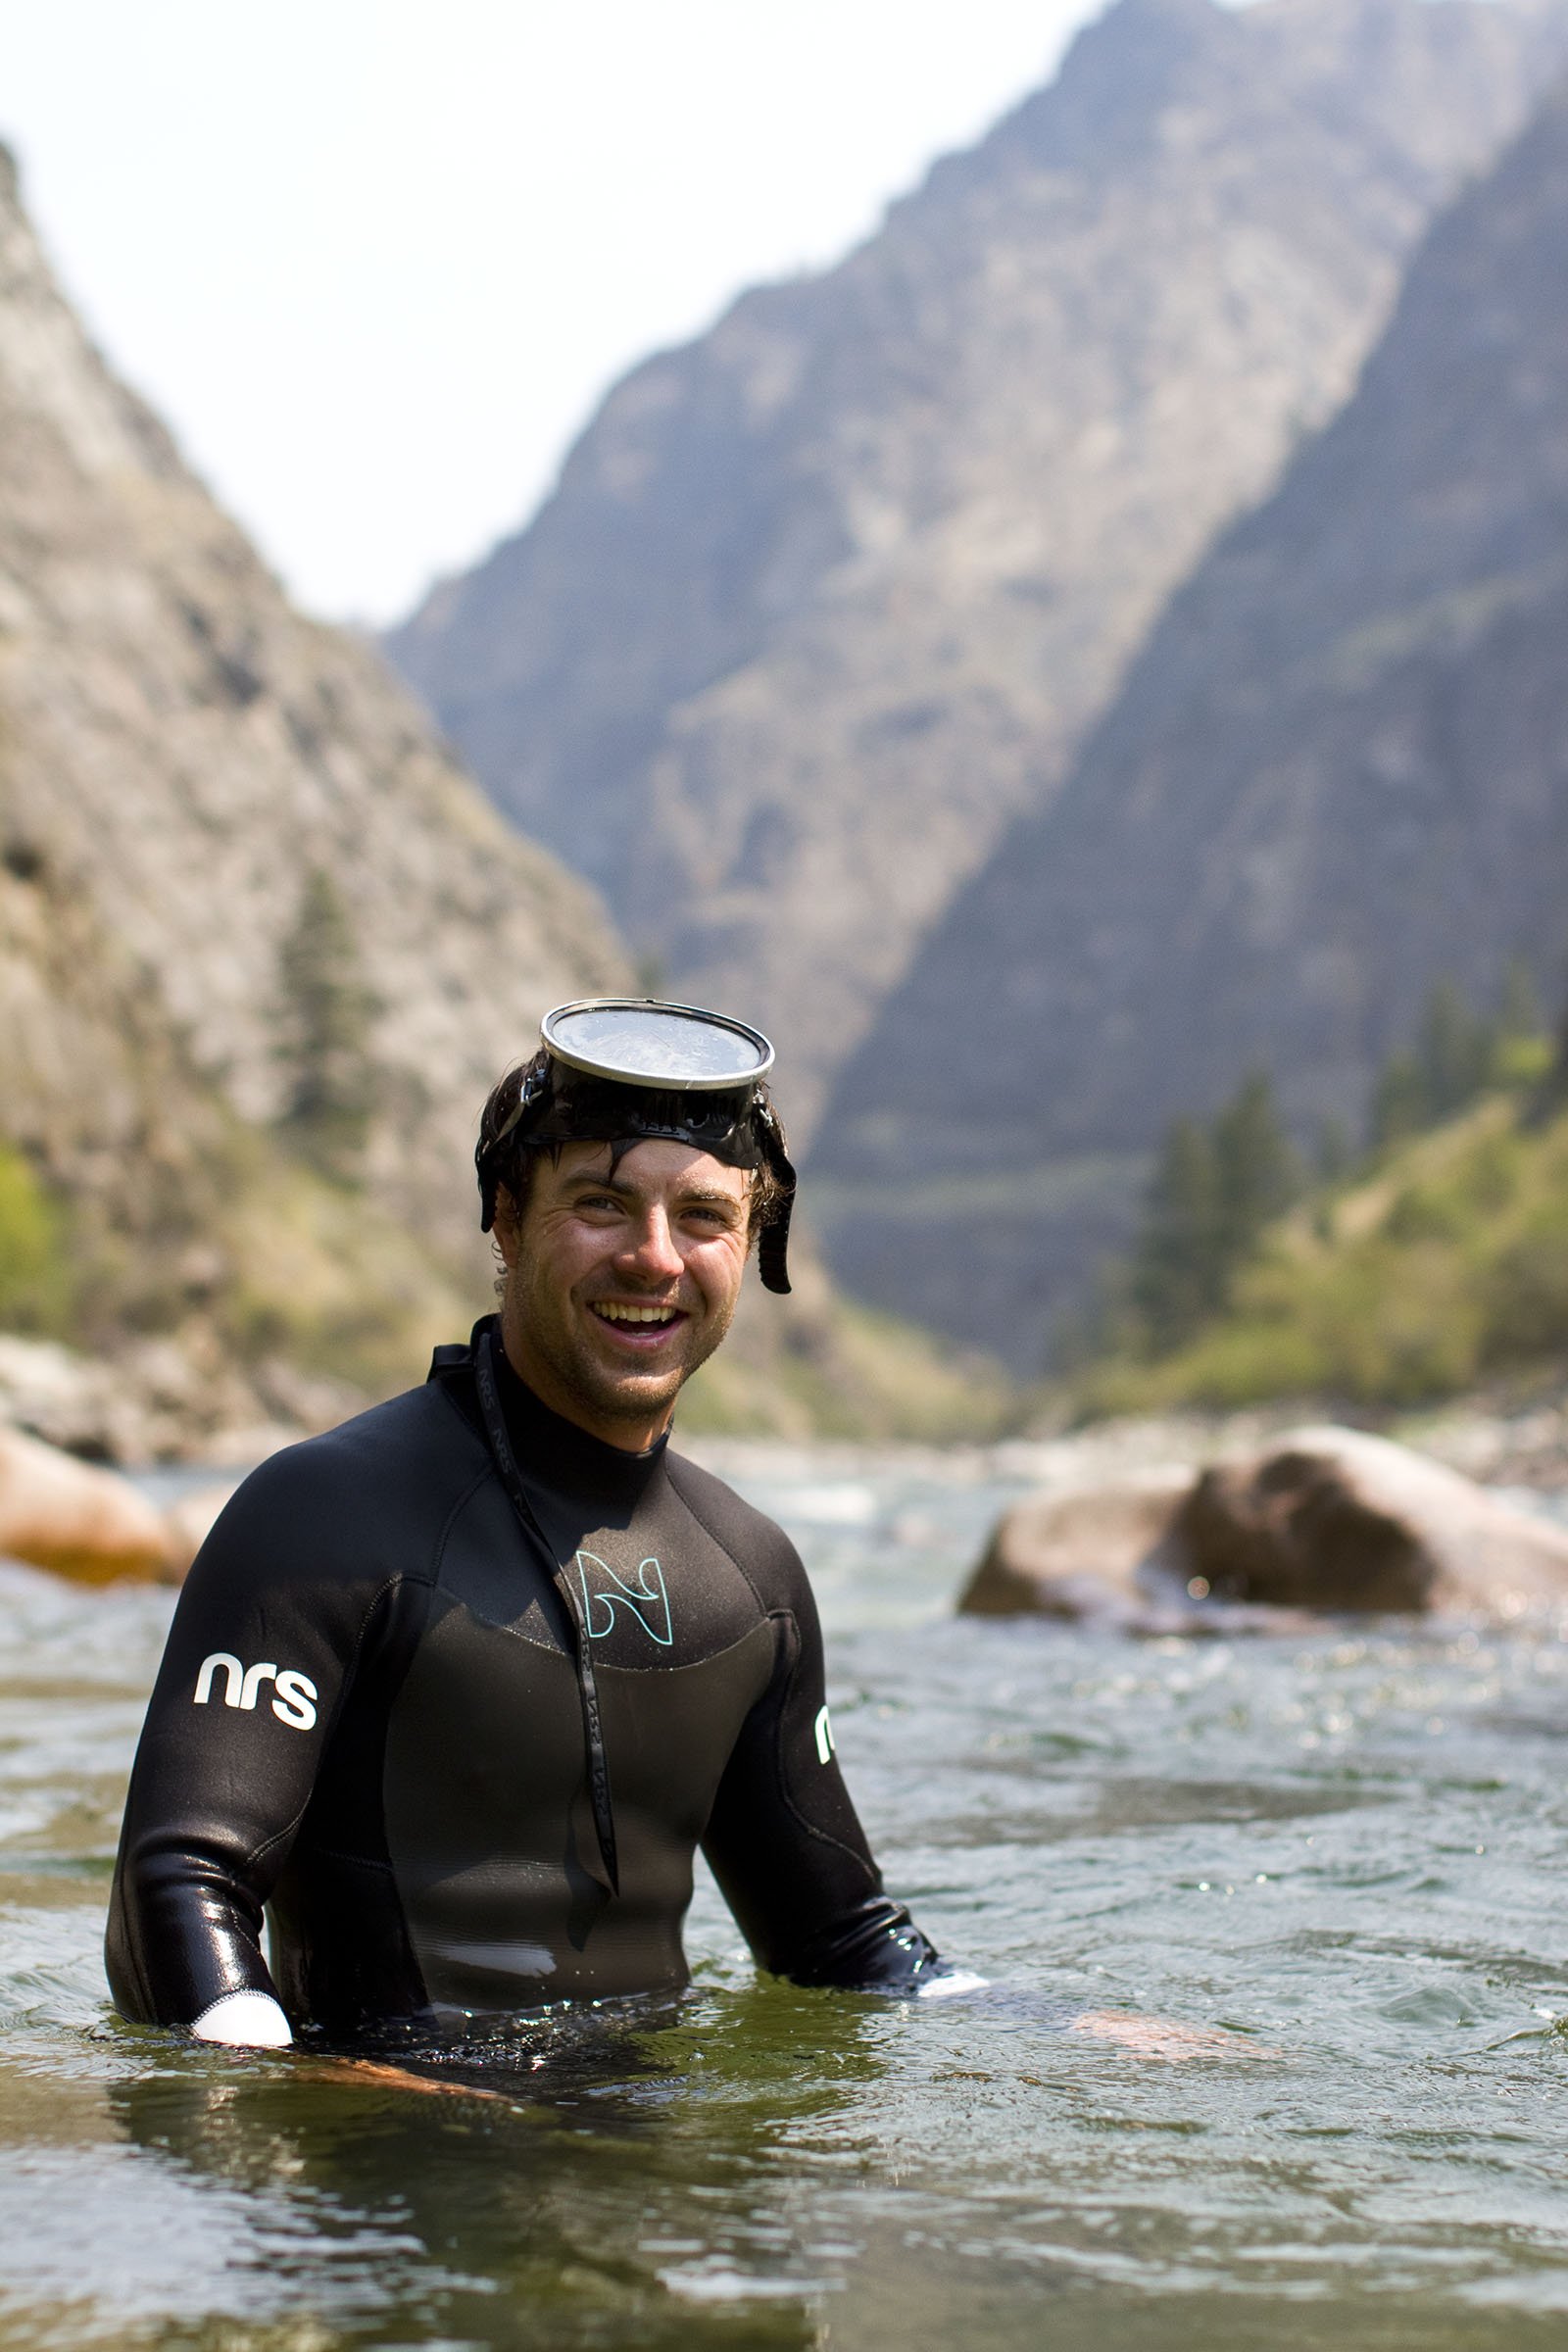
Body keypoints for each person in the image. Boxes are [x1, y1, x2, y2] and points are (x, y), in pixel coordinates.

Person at [107, 997, 960, 2050]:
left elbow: (841, 1942)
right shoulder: (323, 1518)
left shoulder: (751, 1580)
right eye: (602, 1204)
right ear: (506, 1218)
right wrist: (294, 2096)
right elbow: (178, 1884)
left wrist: (1065, 2032)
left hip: (660, 2179)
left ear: (751, 1247)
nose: (654, 1259)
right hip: (389, 2178)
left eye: (702, 1217)